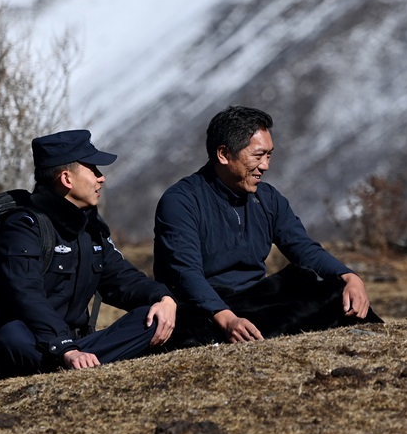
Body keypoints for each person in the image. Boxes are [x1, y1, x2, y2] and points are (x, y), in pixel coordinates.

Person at [154, 105, 381, 344]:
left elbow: (303, 248)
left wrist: (350, 277)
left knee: (331, 289)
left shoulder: (268, 199)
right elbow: (185, 274)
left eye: (269, 155)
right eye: (258, 155)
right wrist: (227, 319)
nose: (265, 166)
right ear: (224, 154)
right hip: (204, 310)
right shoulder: (181, 201)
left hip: (255, 300)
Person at [0, 130, 177, 384]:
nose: (101, 177)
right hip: (32, 342)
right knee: (12, 336)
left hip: (75, 345)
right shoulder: (23, 227)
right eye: (93, 170)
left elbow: (122, 279)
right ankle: (75, 363)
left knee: (152, 318)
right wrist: (64, 348)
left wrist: (162, 298)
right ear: (67, 178)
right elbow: (25, 295)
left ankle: (74, 365)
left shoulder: (89, 230)